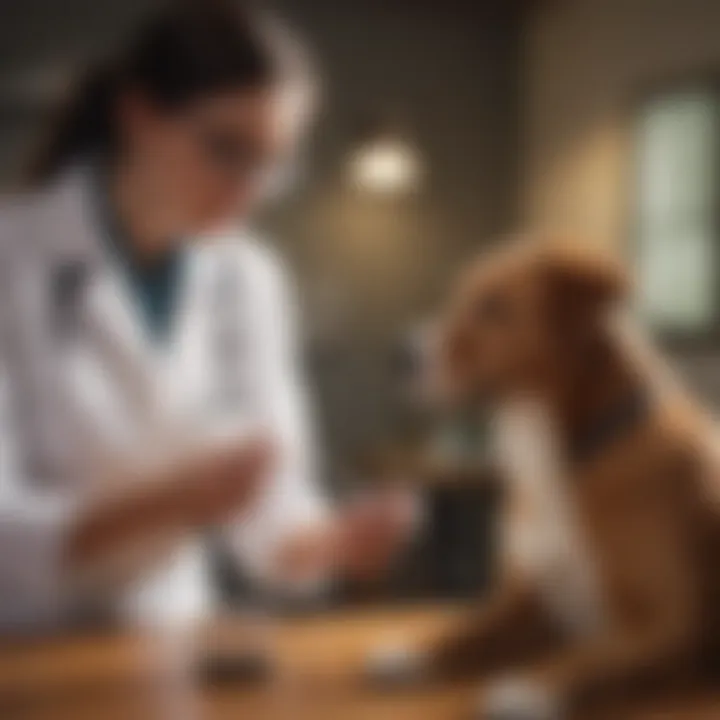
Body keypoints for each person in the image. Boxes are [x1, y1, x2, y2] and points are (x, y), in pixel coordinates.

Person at [0, 0, 413, 632]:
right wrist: (171, 504)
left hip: (170, 640)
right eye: (226, 149)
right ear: (137, 117)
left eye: (272, 163)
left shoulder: (250, 277)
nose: (248, 190)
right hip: (27, 646)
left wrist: (330, 541)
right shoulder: (15, 255)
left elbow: (272, 515)